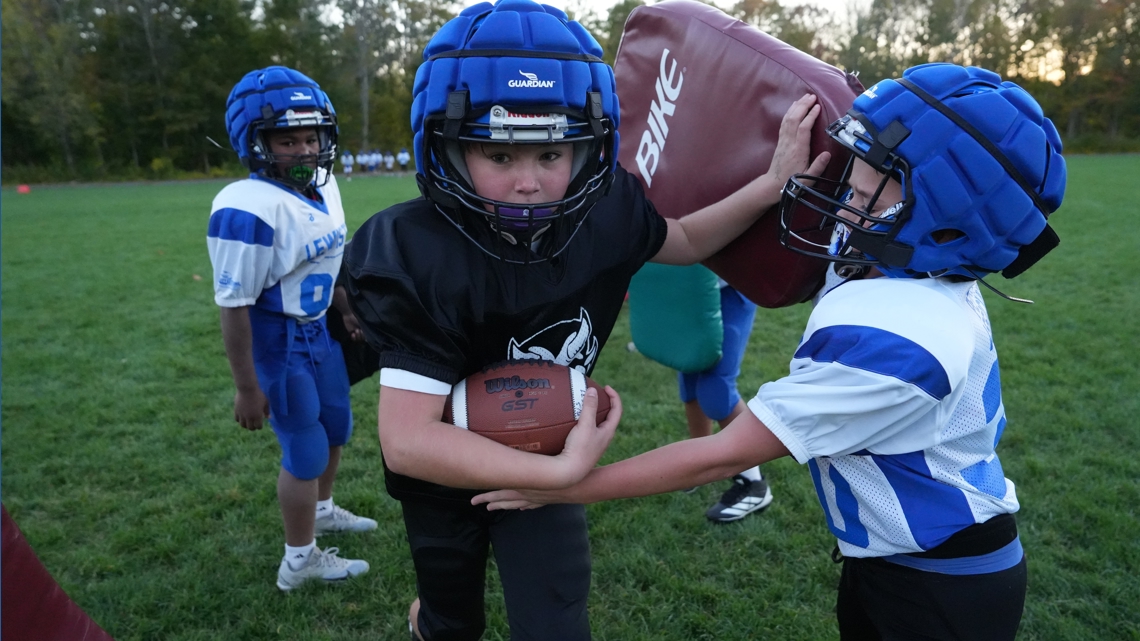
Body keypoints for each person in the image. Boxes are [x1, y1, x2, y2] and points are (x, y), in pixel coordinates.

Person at [474, 62, 1067, 641]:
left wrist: (566, 486)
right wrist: (773, 170)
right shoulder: (912, 254)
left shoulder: (905, 341)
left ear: (944, 217)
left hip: (941, 585)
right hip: (890, 561)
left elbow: (718, 455)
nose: (847, 200)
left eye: (867, 194)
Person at [342, 2, 830, 639]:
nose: (529, 183)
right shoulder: (414, 249)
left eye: (551, 154)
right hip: (446, 479)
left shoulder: (606, 210)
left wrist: (770, 186)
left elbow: (679, 239)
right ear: (449, 147)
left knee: (556, 623)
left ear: (591, 142)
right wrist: (563, 474)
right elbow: (407, 440)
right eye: (499, 155)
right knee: (450, 622)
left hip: (547, 444)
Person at [207, 65, 378, 592]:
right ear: (256, 142)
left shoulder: (323, 188)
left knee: (336, 428)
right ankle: (298, 561)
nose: (305, 150)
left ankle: (321, 510)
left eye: (311, 136)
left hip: (319, 331)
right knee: (303, 448)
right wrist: (245, 385)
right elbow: (234, 305)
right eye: (287, 139)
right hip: (279, 341)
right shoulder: (246, 208)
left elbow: (332, 259)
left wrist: (345, 308)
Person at [677, 280, 772, 523]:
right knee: (689, 378)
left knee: (717, 389)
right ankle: (701, 465)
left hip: (731, 285)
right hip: (690, 288)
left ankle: (754, 485)